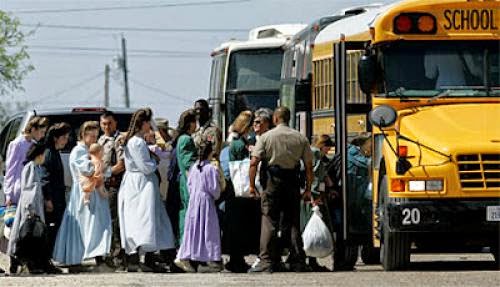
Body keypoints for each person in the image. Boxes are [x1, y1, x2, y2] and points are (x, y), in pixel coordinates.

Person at [248, 107, 313, 273]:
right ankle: (297, 260)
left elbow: (254, 162)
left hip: (272, 180)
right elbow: (308, 166)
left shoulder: (266, 137)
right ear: (288, 119)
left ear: (275, 119)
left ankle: (266, 261)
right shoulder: (300, 138)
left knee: (269, 219)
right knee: (292, 221)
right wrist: (308, 189)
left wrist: (251, 185)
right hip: (292, 180)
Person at [118, 108, 175, 272]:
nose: (151, 125)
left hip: (141, 183)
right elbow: (145, 167)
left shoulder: (138, 141)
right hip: (140, 184)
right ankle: (142, 257)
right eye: (149, 122)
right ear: (143, 123)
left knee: (147, 219)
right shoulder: (137, 142)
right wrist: (155, 160)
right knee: (143, 219)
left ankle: (147, 256)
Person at [52, 121, 112, 272]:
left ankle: (99, 256)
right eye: (91, 136)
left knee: (97, 223)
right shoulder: (79, 151)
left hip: (94, 190)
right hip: (84, 190)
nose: (94, 139)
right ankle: (75, 258)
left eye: (96, 136)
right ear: (83, 135)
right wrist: (100, 166)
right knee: (85, 224)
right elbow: (88, 170)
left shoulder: (90, 150)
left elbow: (99, 170)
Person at [3, 116, 48, 274]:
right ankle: (14, 260)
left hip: (30, 191)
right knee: (15, 227)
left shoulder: (36, 146)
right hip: (17, 189)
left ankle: (27, 260)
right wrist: (8, 193)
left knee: (26, 228)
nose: (42, 135)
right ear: (33, 129)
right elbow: (10, 169)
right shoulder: (17, 144)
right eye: (41, 132)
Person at [175, 141, 222, 273]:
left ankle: (193, 254)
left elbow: (190, 185)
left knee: (194, 229)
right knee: (207, 229)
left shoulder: (194, 168)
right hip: (206, 202)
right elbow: (214, 190)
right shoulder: (210, 169)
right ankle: (208, 257)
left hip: (194, 201)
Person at [223, 110, 260, 273]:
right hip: (240, 189)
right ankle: (237, 259)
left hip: (234, 189)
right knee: (239, 225)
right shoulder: (239, 144)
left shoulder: (237, 141)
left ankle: (236, 258)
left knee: (236, 225)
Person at [300, 134, 335, 272]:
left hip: (308, 195)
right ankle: (312, 260)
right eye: (328, 147)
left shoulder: (310, 152)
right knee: (312, 229)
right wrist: (314, 195)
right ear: (323, 145)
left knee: (309, 229)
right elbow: (314, 175)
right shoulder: (316, 154)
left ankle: (310, 259)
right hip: (313, 197)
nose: (328, 151)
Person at [98, 111, 126, 269]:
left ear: (115, 123)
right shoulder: (101, 140)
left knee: (114, 221)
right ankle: (107, 254)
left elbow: (121, 164)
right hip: (101, 185)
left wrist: (105, 174)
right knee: (104, 221)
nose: (106, 126)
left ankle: (118, 257)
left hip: (113, 185)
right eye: (103, 124)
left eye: (109, 123)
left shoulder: (118, 140)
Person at [41, 122, 71, 266]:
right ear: (55, 138)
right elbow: (45, 179)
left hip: (58, 197)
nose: (66, 140)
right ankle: (46, 260)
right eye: (64, 137)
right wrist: (48, 200)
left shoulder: (55, 153)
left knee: (56, 228)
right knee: (51, 229)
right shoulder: (49, 154)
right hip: (52, 199)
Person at [175, 109, 197, 243]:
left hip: (184, 181)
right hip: (188, 181)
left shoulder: (182, 139)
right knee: (189, 213)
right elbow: (188, 164)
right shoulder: (186, 139)